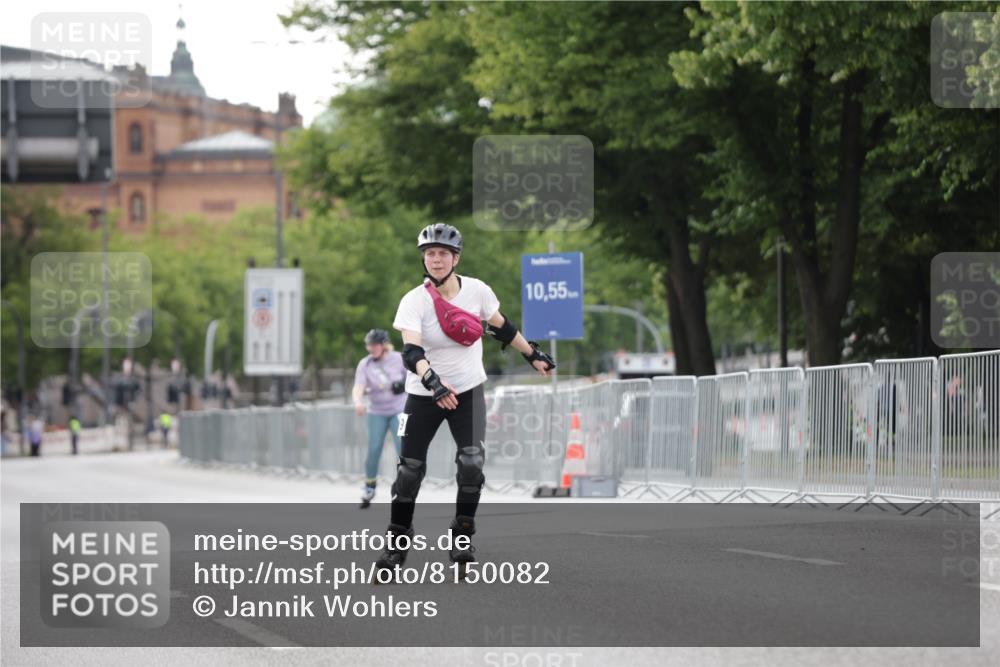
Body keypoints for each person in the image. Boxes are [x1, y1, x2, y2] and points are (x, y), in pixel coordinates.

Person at [376, 223, 555, 575]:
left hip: (468, 390)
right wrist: (434, 383)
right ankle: (397, 543)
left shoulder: (477, 291)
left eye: (443, 253)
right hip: (423, 395)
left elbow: (503, 327)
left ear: (456, 258)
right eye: (430, 254)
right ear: (424, 259)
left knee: (471, 463)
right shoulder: (414, 300)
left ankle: (462, 536)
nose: (436, 260)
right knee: (409, 472)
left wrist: (531, 353)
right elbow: (411, 352)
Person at [352, 329, 407, 508]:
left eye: (374, 345)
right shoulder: (365, 364)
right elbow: (359, 386)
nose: (371, 348)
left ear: (384, 345)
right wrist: (358, 401)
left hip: (400, 410)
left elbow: (414, 378)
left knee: (402, 446)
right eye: (369, 345)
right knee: (374, 448)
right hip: (377, 411)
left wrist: (403, 385)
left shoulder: (399, 358)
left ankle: (404, 486)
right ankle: (369, 486)